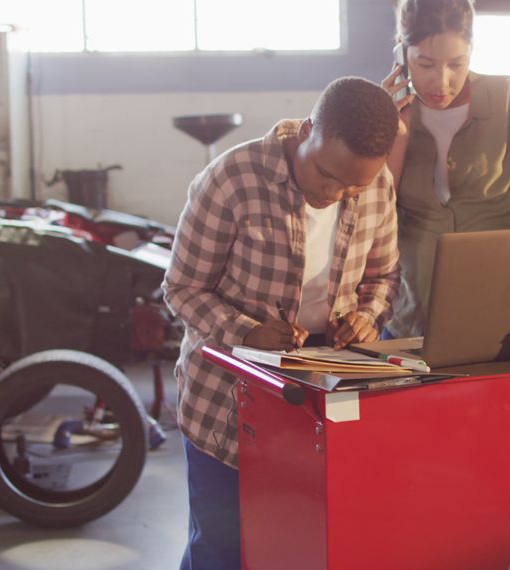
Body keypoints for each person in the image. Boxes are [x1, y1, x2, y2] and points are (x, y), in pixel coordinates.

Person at [162, 76, 401, 569]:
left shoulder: (377, 185)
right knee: (221, 549)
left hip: (319, 399)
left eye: (354, 183)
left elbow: (383, 277)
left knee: (303, 545)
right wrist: (246, 333)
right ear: (308, 130)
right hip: (226, 400)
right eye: (326, 175)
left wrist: (366, 316)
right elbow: (181, 289)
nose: (336, 193)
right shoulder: (231, 179)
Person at [382, 0, 510, 338]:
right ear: (401, 52)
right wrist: (389, 135)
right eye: (425, 63)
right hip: (411, 325)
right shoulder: (384, 116)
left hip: (507, 317)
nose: (442, 81)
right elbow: (371, 223)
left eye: (457, 63)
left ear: (472, 50)